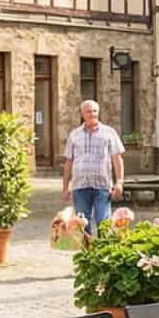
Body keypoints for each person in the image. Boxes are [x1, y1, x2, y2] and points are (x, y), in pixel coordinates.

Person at [61, 99, 125, 236]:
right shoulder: (74, 134)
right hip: (80, 186)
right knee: (83, 225)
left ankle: (103, 255)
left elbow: (117, 158)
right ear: (82, 114)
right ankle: (87, 254)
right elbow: (68, 163)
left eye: (95, 111)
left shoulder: (109, 133)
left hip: (102, 185)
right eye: (89, 111)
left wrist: (119, 182)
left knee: (103, 223)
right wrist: (65, 187)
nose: (92, 114)